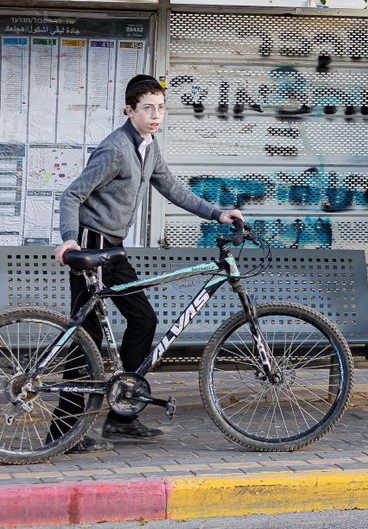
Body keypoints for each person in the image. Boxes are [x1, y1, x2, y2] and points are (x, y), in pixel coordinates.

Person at [51, 74, 242, 453]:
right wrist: (68, 240)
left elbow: (172, 188)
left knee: (143, 319)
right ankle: (62, 432)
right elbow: (72, 195)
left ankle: (121, 417)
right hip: (92, 243)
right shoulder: (116, 150)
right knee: (84, 336)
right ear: (129, 110)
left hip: (114, 247)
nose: (156, 115)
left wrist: (217, 214)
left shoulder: (149, 147)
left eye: (160, 108)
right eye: (147, 108)